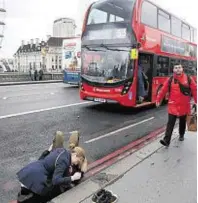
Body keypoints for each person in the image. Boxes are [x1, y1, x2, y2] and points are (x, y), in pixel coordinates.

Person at [16, 131, 87, 203]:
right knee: (46, 194)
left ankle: (23, 197)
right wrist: (73, 177)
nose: (76, 163)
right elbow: (56, 180)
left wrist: (47, 151)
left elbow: (42, 159)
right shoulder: (64, 160)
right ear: (75, 154)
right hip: (34, 178)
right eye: (78, 161)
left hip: (28, 172)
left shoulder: (61, 150)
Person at [156, 64, 197, 147]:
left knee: (182, 122)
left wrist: (196, 101)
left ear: (182, 69)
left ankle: (181, 134)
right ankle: (166, 140)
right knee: (170, 123)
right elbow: (163, 90)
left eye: (179, 67)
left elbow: (195, 90)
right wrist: (158, 100)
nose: (178, 69)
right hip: (173, 105)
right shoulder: (170, 79)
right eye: (176, 68)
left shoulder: (188, 78)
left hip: (184, 106)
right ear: (173, 70)